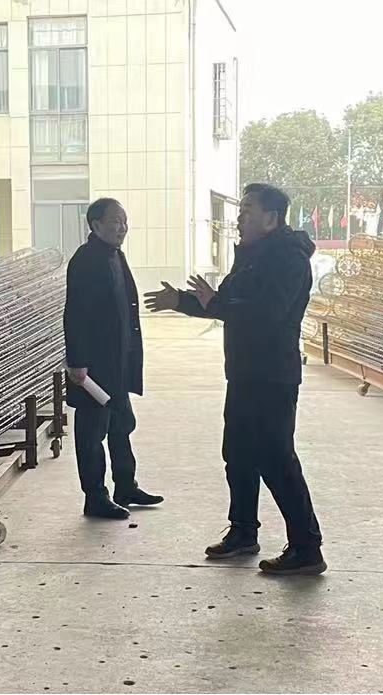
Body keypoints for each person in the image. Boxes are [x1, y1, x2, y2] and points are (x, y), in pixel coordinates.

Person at [145, 182, 325, 576]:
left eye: (247, 211)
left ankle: (306, 546)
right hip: (243, 373)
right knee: (238, 454)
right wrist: (182, 302)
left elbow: (266, 315)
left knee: (276, 459)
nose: (239, 218)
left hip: (273, 376)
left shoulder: (290, 261)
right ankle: (243, 531)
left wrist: (216, 302)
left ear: (271, 218)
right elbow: (223, 304)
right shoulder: (250, 257)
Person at [63, 198, 163, 519]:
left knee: (122, 424)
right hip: (93, 366)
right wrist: (77, 361)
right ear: (95, 225)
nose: (122, 228)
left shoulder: (115, 255)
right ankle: (95, 497)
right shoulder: (86, 260)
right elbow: (75, 314)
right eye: (115, 221)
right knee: (92, 434)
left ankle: (126, 486)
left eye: (124, 221)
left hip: (117, 363)